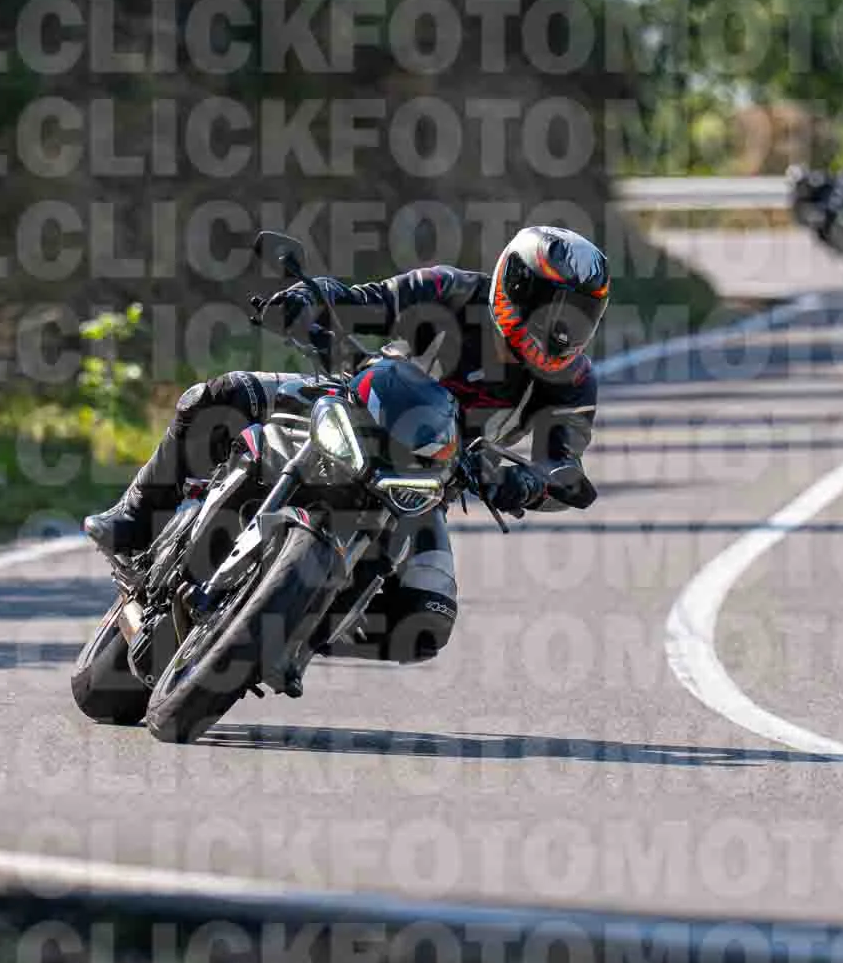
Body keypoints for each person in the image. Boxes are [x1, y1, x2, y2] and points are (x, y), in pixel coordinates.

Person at [80, 225, 608, 664]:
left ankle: (298, 629)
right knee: (220, 397)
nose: (560, 328)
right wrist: (310, 300)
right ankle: (133, 518)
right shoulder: (449, 292)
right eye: (550, 307)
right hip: (348, 405)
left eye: (578, 314)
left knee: (426, 620)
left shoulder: (573, 383)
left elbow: (563, 464)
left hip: (426, 483)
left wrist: (530, 483)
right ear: (514, 282)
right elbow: (363, 302)